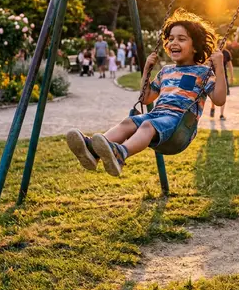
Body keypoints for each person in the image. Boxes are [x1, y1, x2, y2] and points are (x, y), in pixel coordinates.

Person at [66, 9, 227, 177]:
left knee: (147, 125)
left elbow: (219, 99)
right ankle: (93, 151)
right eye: (170, 38)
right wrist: (146, 72)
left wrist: (219, 67)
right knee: (129, 122)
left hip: (179, 124)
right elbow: (145, 98)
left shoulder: (202, 72)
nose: (174, 43)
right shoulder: (166, 71)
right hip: (157, 115)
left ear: (195, 46)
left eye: (181, 39)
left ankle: (121, 153)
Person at [209, 41, 234, 120]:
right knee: (214, 93)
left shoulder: (226, 53)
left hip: (223, 77)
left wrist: (232, 76)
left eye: (222, 43)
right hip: (213, 76)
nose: (220, 45)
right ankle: (212, 107)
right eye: (218, 43)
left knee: (223, 95)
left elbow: (230, 65)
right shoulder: (213, 53)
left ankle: (221, 114)